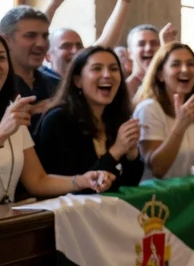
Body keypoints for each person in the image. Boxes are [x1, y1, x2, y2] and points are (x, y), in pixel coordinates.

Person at [0, 30, 113, 212]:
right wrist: (0, 133)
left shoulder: (9, 111)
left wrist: (82, 180)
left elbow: (37, 180)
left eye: (1, 58)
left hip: (2, 221)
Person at [35, 47, 145, 191]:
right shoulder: (59, 120)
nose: (107, 75)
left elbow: (129, 184)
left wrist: (131, 154)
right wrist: (116, 151)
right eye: (97, 69)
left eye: (113, 69)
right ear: (77, 81)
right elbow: (80, 188)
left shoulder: (115, 118)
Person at [132, 43, 194, 180]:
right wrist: (180, 126)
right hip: (153, 198)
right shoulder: (149, 109)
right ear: (160, 75)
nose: (185, 69)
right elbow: (157, 169)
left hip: (181, 197)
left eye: (190, 64)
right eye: (176, 64)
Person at [0, 7, 59, 127]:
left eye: (45, 36)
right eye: (30, 36)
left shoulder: (57, 84)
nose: (41, 44)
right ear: (6, 40)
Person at [124, 24, 162, 97]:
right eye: (141, 44)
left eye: (154, 43)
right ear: (130, 53)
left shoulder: (169, 87)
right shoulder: (123, 91)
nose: (148, 48)